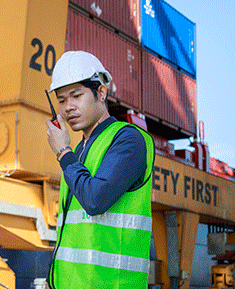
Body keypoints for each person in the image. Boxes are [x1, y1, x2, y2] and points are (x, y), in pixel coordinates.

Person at [44, 51, 155, 289]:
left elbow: (95, 200)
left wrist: (63, 151)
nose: (68, 108)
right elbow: (71, 235)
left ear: (101, 92)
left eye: (76, 96)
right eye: (61, 100)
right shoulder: (80, 151)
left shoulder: (128, 139)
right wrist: (52, 280)